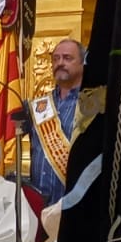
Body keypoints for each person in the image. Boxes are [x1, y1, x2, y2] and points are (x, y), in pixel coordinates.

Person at [27, 38, 84, 206]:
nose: (60, 63)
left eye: (67, 58)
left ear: (82, 63)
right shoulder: (39, 105)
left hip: (75, 202)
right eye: (56, 58)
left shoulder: (92, 104)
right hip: (38, 204)